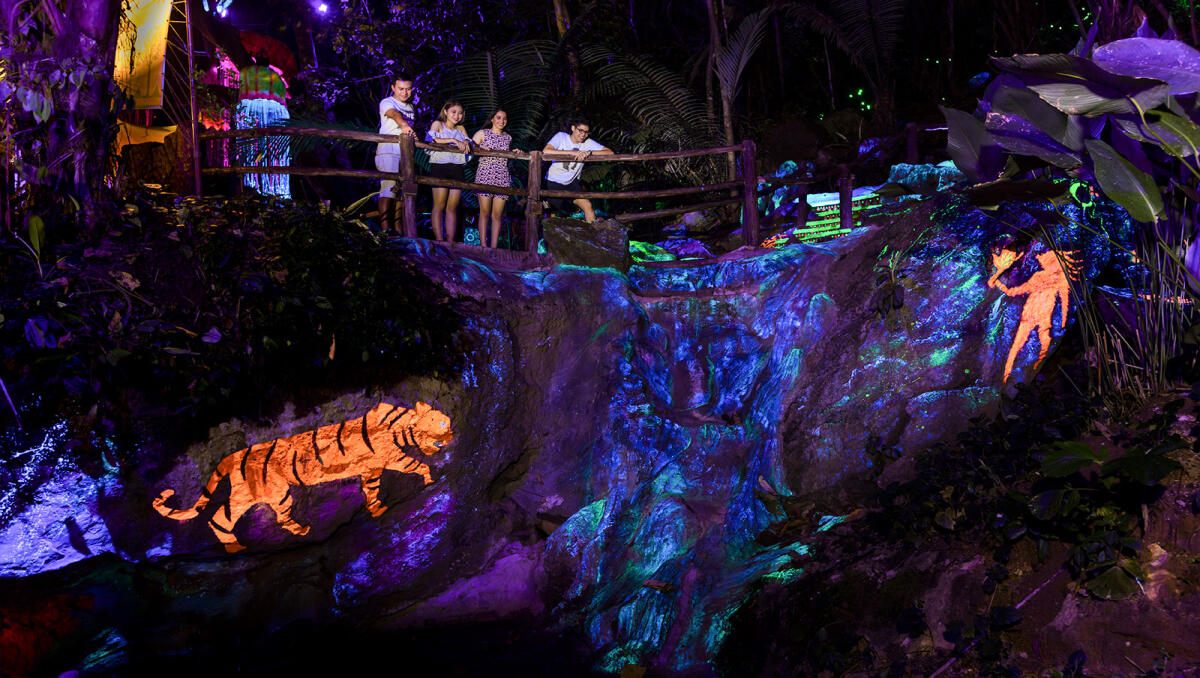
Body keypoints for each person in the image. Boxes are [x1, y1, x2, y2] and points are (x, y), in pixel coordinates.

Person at [543, 116, 612, 223]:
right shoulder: (561, 136)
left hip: (572, 183)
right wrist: (573, 153)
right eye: (580, 130)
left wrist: (589, 152)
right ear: (573, 128)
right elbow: (546, 151)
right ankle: (548, 233)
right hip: (553, 181)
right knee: (553, 212)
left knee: (587, 205)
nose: (583, 134)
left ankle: (592, 232)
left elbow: (609, 152)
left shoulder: (587, 143)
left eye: (586, 132)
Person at [471, 109, 524, 248]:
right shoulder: (482, 133)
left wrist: (515, 152)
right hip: (485, 174)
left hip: (502, 176)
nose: (502, 121)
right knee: (484, 212)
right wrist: (480, 147)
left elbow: (506, 155)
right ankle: (483, 246)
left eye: (504, 118)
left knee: (497, 215)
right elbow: (470, 146)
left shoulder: (508, 137)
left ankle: (493, 248)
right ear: (492, 119)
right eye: (498, 117)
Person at [375, 74, 416, 235]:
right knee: (388, 189)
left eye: (408, 89)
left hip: (406, 154)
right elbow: (393, 114)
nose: (404, 93)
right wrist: (404, 124)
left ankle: (398, 231)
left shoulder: (411, 107)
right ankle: (385, 232)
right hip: (389, 151)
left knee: (401, 192)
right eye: (401, 89)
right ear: (393, 87)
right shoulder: (387, 102)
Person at [426, 99, 471, 242]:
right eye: (453, 112)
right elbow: (431, 139)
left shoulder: (461, 129)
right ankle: (439, 240)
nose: (457, 116)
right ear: (445, 111)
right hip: (440, 166)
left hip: (457, 168)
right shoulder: (438, 124)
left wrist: (465, 141)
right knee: (439, 205)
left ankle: (450, 242)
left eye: (460, 113)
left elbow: (469, 142)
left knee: (452, 207)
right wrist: (454, 140)